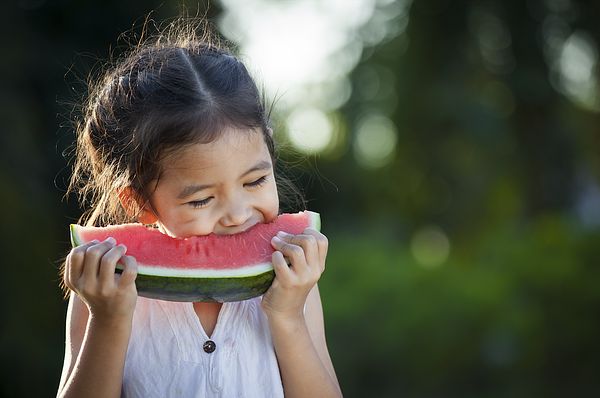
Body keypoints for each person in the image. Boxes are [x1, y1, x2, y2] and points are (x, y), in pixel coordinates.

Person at [57, 21, 342, 398]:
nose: (238, 214)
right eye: (201, 200)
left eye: (255, 181)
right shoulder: (103, 288)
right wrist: (107, 320)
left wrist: (287, 316)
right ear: (140, 203)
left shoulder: (292, 280)